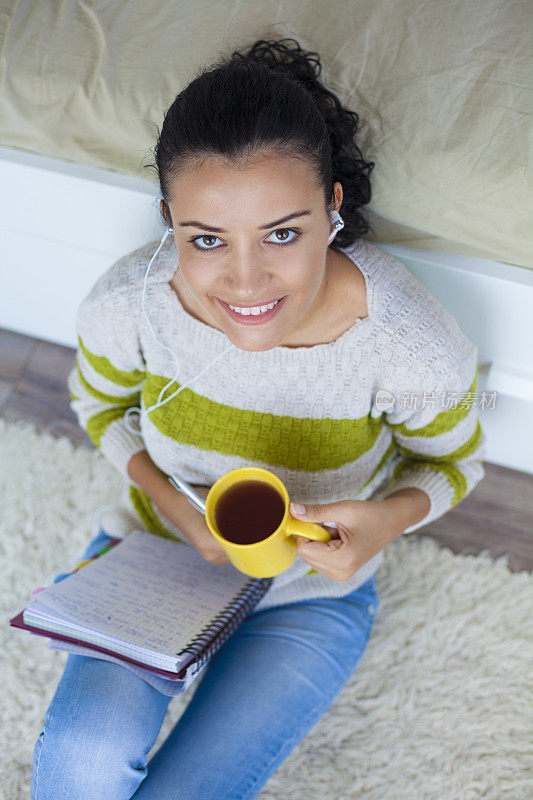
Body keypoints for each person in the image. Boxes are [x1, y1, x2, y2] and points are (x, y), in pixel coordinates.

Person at [31, 37, 486, 800]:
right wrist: (173, 506)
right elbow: (100, 405)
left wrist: (382, 523)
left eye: (282, 232)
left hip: (310, 597)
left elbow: (452, 464)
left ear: (333, 207)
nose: (245, 282)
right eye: (205, 239)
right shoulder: (128, 305)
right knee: (79, 762)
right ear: (169, 219)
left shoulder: (409, 346)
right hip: (155, 552)